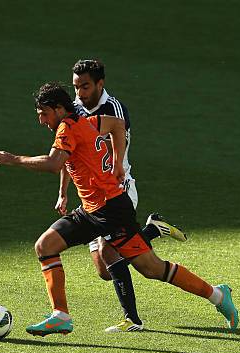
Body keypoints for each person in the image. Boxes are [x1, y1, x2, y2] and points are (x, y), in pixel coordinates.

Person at [0, 82, 239, 336]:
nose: (41, 120)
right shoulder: (89, 121)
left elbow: (54, 163)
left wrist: (13, 159)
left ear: (59, 109)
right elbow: (117, 125)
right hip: (91, 210)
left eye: (43, 113)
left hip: (112, 209)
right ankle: (60, 315)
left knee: (151, 268)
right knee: (45, 246)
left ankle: (218, 295)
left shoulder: (67, 128)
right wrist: (117, 164)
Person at [57, 59, 185, 333]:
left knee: (108, 250)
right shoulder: (75, 110)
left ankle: (133, 320)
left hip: (118, 190)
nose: (79, 92)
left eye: (85, 86)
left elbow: (119, 142)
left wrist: (115, 167)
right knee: (104, 270)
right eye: (76, 86)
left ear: (100, 84)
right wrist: (63, 192)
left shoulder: (113, 109)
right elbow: (70, 154)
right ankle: (152, 229)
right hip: (90, 197)